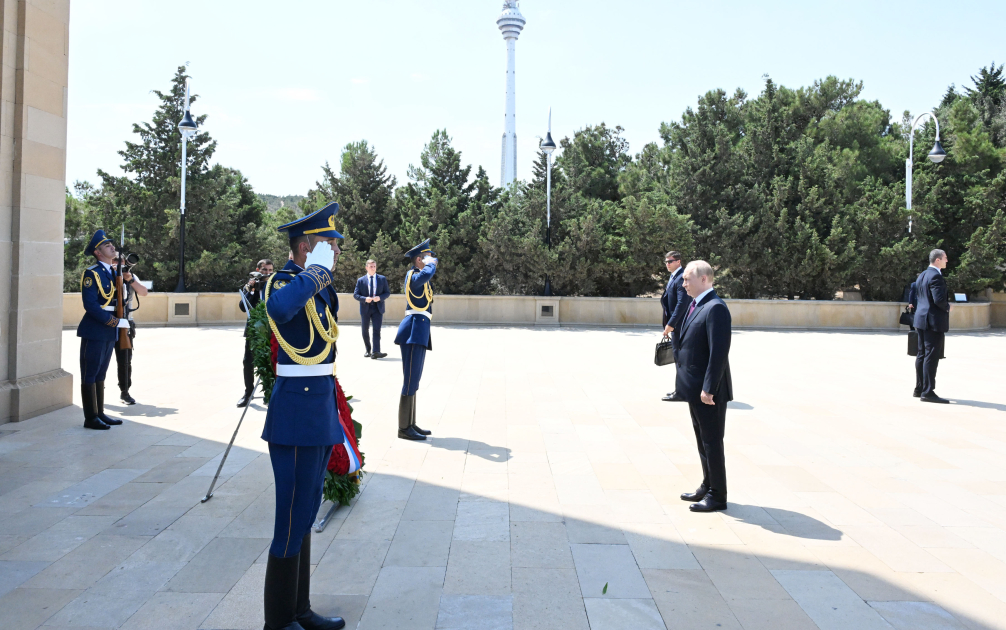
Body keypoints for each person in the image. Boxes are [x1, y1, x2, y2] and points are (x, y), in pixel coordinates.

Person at [261, 202, 346, 630]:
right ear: (308, 247)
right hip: (296, 408)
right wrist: (314, 272)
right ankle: (277, 622)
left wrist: (318, 277)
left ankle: (299, 610)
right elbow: (278, 310)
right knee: (290, 516)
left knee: (307, 509)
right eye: (329, 245)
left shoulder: (316, 285)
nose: (336, 252)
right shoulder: (285, 280)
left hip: (317, 404)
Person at [676, 260, 733, 513]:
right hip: (695, 390)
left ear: (704, 279)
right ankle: (707, 485)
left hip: (708, 392)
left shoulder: (716, 308)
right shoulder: (698, 304)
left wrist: (709, 388)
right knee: (702, 441)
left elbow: (718, 354)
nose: (683, 283)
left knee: (712, 442)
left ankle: (717, 496)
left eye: (687, 279)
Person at [77, 230, 133, 430]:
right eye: (106, 245)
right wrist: (114, 322)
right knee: (90, 373)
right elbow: (91, 305)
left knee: (101, 372)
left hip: (110, 330)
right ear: (98, 252)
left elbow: (119, 301)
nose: (112, 246)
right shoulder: (92, 273)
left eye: (111, 243)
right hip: (95, 328)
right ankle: (90, 418)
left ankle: (99, 413)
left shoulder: (113, 272)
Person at [394, 239, 437, 441]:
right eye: (426, 257)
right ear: (419, 259)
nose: (431, 260)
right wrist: (431, 263)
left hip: (419, 329)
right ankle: (403, 428)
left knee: (415, 379)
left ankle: (410, 423)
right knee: (410, 379)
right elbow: (427, 273)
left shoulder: (419, 277)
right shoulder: (414, 275)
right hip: (413, 329)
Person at [913, 249, 952, 403]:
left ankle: (919, 388)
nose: (947, 260)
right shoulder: (936, 276)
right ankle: (928, 392)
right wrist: (948, 307)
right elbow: (939, 300)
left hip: (921, 319)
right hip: (932, 322)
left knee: (921, 354)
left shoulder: (922, 274)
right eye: (945, 258)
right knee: (931, 355)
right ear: (937, 260)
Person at [237, 259, 275, 407]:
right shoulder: (251, 286)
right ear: (258, 270)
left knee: (271, 361)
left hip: (271, 328)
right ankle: (248, 393)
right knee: (248, 361)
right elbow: (242, 306)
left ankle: (270, 393)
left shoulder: (274, 286)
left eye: (270, 270)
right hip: (254, 329)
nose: (267, 273)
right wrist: (250, 289)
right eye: (264, 270)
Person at [113, 259, 149, 405]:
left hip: (126, 324)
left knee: (125, 361)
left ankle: (125, 391)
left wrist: (131, 279)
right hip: (106, 324)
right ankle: (98, 390)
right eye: (116, 261)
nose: (120, 265)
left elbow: (144, 292)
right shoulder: (104, 275)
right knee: (101, 359)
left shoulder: (130, 276)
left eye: (122, 262)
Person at [661, 251, 689, 402]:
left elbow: (682, 304)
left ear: (678, 261)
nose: (667, 264)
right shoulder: (674, 276)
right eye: (666, 261)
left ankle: (681, 392)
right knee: (679, 358)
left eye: (670, 261)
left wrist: (671, 324)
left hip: (679, 326)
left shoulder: (681, 277)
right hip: (676, 326)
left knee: (680, 359)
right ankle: (681, 390)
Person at [353, 259, 391, 359]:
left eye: (374, 266)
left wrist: (380, 297)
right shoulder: (361, 280)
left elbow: (387, 292)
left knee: (377, 330)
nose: (373, 268)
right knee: (365, 330)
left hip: (378, 308)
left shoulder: (382, 279)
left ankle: (376, 351)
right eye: (371, 266)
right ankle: (368, 350)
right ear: (366, 268)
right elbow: (356, 295)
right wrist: (365, 299)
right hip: (365, 308)